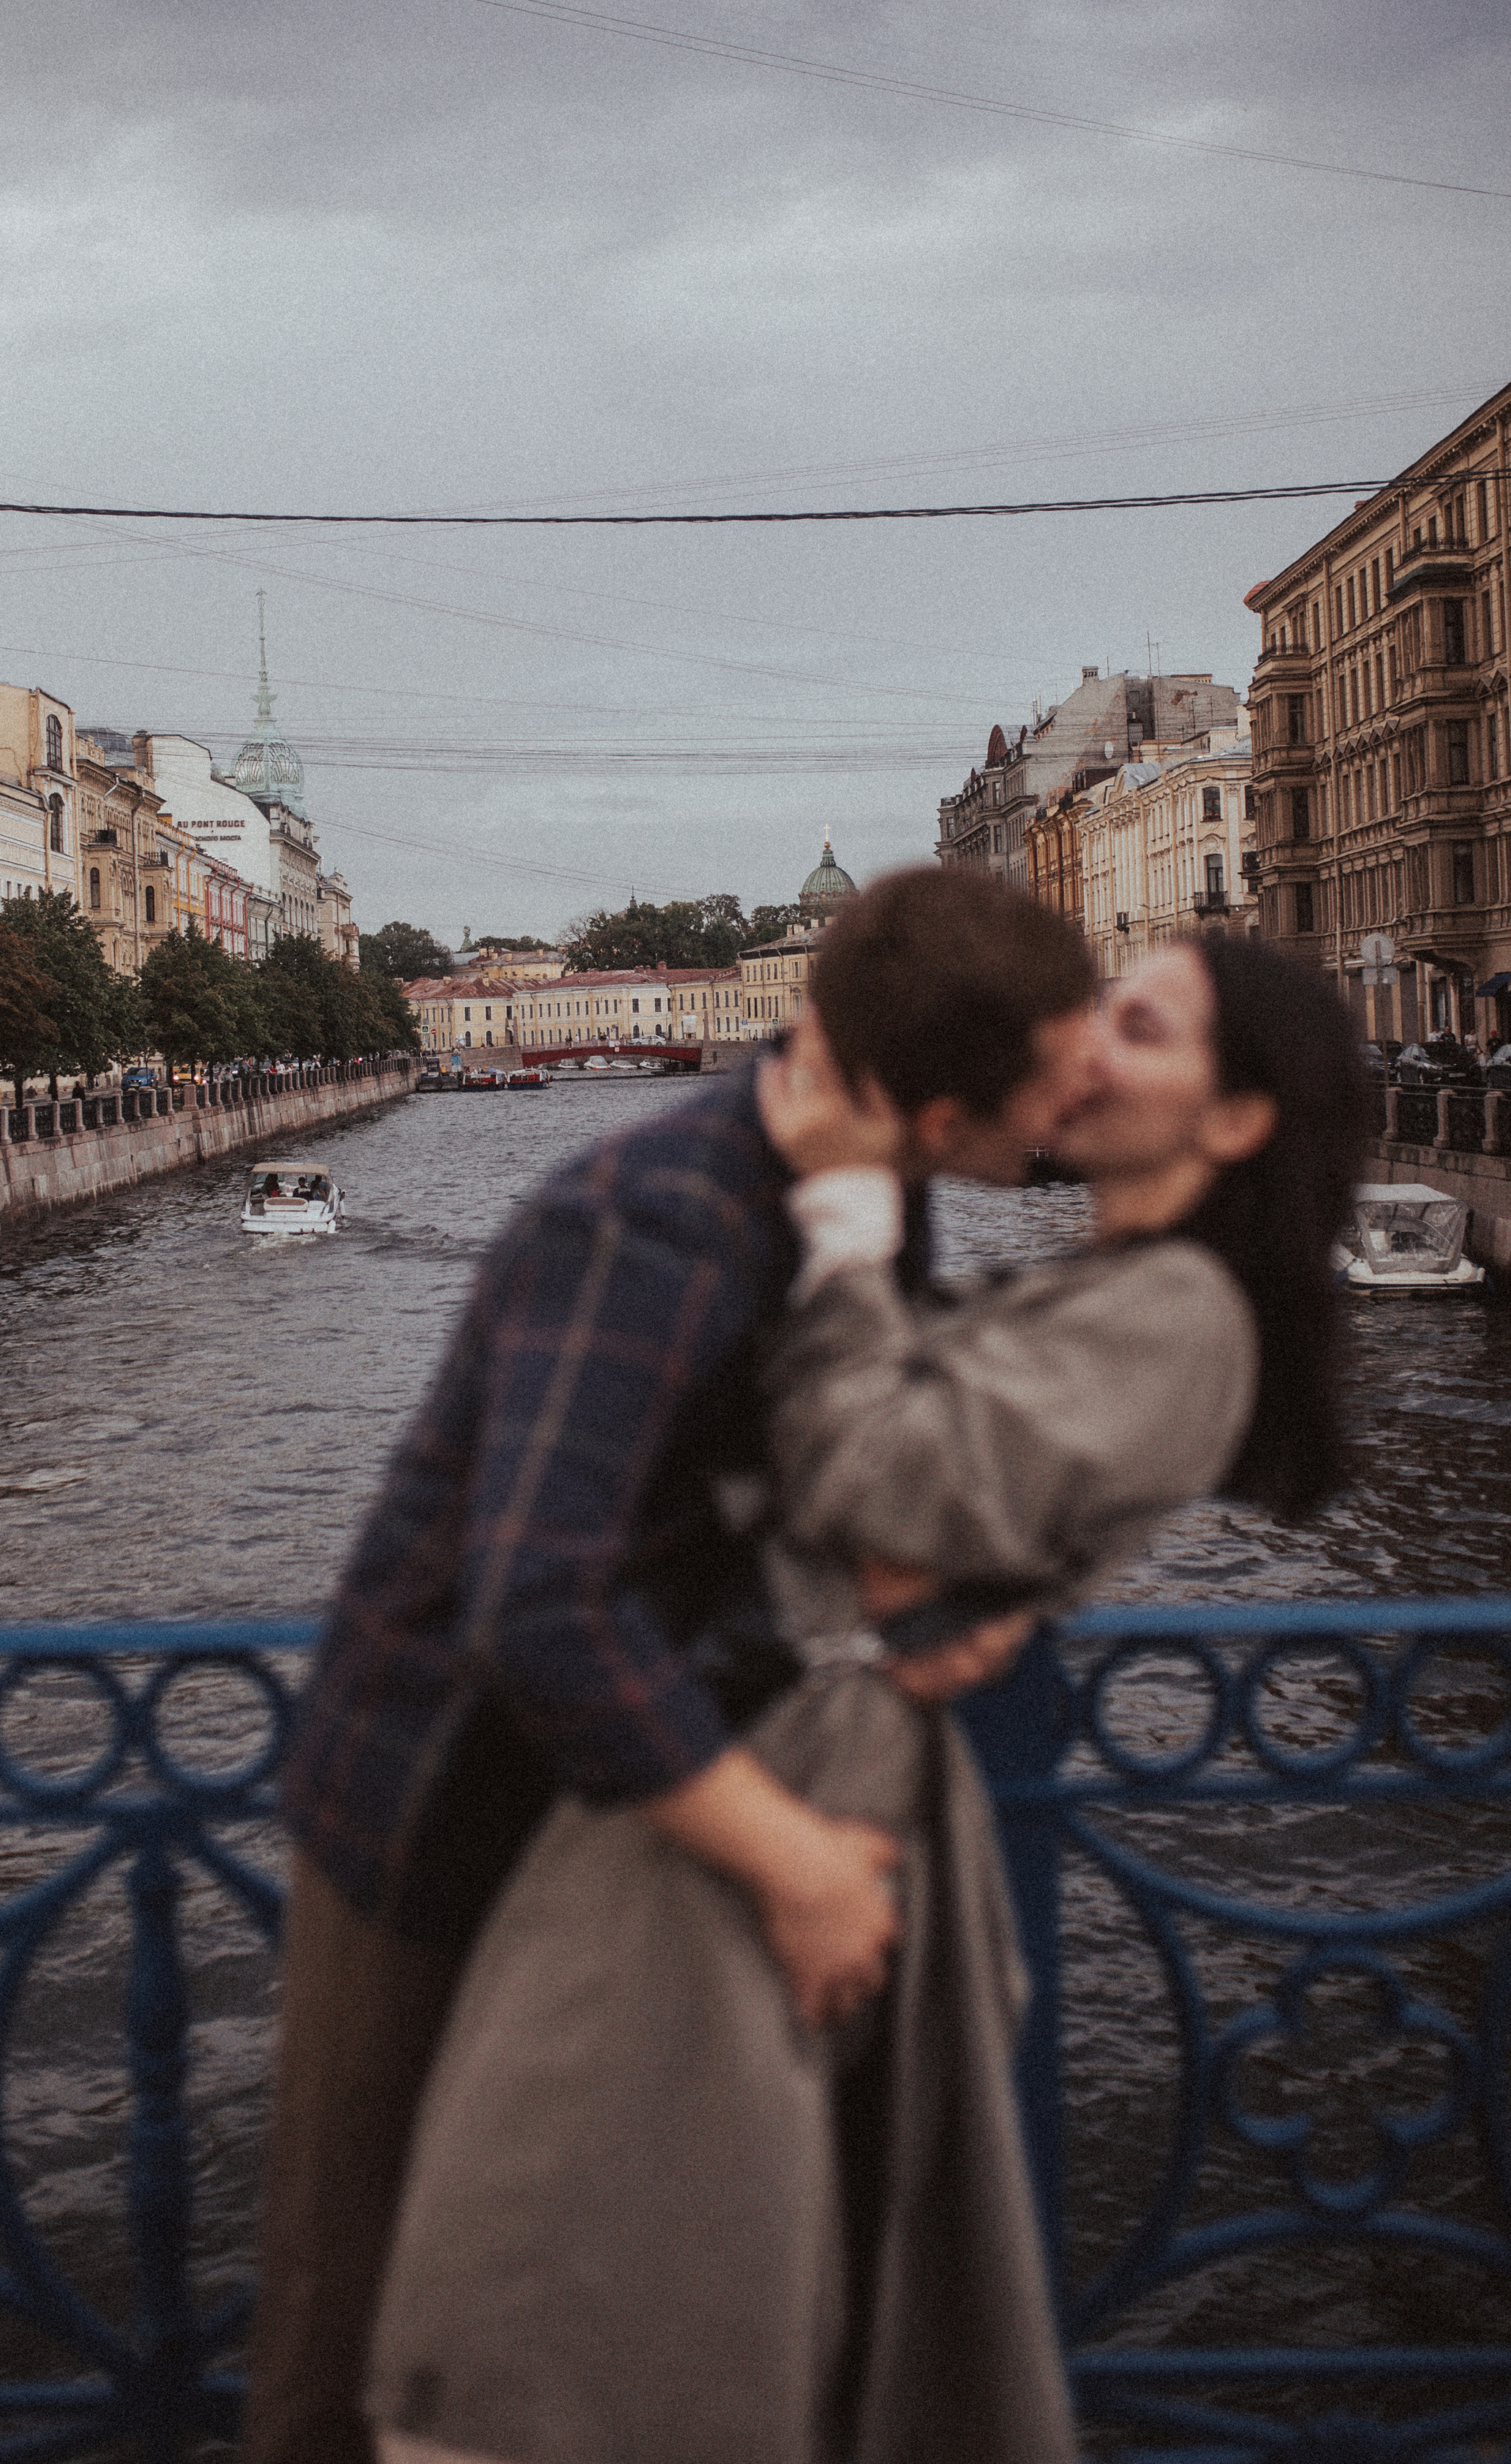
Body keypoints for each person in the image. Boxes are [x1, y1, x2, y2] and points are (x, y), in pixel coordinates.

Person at [363, 931, 1368, 2464]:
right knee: (693, 2233)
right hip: (784, 1769)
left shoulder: (1178, 1312)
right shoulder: (1111, 1281)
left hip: (796, 1786)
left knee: (613, 2237)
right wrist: (956, 1563)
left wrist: (840, 1223)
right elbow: (898, 1520)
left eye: (1139, 1028)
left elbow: (869, 1475)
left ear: (1234, 1119)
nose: (1083, 1049)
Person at [241, 870, 1101, 2464]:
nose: (1078, 1102)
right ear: (925, 1101)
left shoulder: (868, 1200)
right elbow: (541, 1606)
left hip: (632, 1818)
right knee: (359, 2330)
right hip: (438, 1818)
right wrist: (796, 1865)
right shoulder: (650, 1221)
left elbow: (840, 1481)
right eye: (1047, 1082)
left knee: (603, 2299)